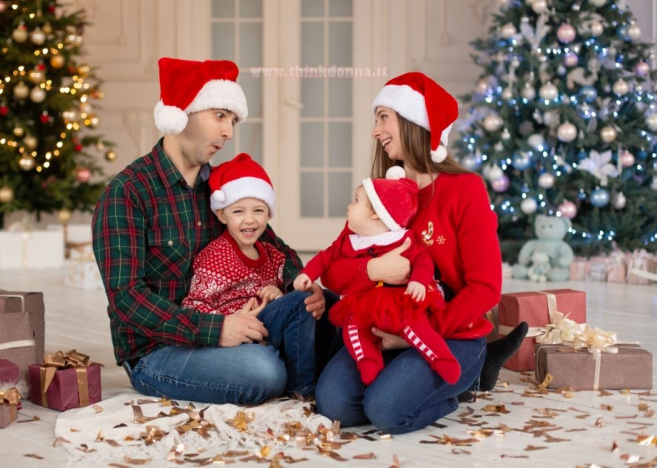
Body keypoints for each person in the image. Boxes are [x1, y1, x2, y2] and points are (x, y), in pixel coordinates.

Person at [92, 57, 326, 406]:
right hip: (158, 352)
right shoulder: (128, 192)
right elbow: (127, 299)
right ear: (182, 112)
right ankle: (299, 366)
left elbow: (278, 249)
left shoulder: (222, 188)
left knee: (327, 305)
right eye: (220, 116)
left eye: (232, 120)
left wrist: (301, 283)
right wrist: (216, 330)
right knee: (264, 372)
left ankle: (307, 359)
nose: (229, 132)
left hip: (237, 323)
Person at [314, 72, 527, 434]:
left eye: (384, 117)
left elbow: (485, 289)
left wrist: (416, 334)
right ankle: (415, 382)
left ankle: (469, 380)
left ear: (414, 123)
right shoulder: (381, 193)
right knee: (335, 406)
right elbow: (333, 271)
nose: (374, 130)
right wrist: (373, 270)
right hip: (382, 328)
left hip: (451, 334)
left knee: (385, 411)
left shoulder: (465, 190)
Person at [293, 167, 459, 386]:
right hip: (366, 304)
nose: (348, 206)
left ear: (375, 213)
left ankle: (441, 357)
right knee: (353, 328)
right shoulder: (351, 239)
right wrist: (307, 273)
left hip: (399, 302)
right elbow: (326, 258)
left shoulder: (401, 239)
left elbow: (423, 260)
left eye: (355, 201)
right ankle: (368, 360)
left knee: (416, 328)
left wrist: (419, 280)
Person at [182, 152, 315, 397]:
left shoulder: (273, 255)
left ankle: (313, 372)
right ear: (222, 215)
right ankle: (302, 387)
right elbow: (194, 305)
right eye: (238, 212)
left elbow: (282, 293)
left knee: (314, 300)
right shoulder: (215, 256)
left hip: (266, 325)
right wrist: (229, 319)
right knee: (299, 301)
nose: (250, 220)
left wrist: (278, 291)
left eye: (258, 210)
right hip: (234, 333)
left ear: (269, 214)